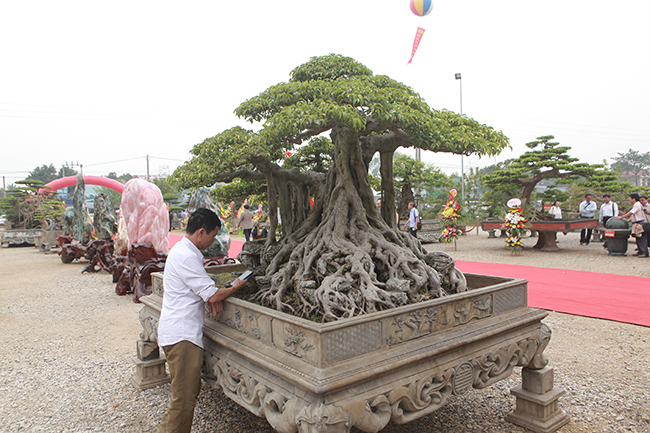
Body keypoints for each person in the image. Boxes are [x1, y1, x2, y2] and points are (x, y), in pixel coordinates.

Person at [157, 208, 246, 432]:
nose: (213, 240)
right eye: (213, 235)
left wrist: (212, 295)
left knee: (184, 394)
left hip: (178, 331)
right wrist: (234, 287)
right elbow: (212, 294)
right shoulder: (186, 255)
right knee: (184, 398)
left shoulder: (182, 251)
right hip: (182, 336)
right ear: (201, 232)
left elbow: (205, 291)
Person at [615, 193, 648, 258]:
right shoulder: (637, 205)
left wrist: (622, 217)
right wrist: (627, 220)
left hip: (640, 223)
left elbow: (631, 212)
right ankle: (640, 251)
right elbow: (634, 215)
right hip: (637, 223)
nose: (630, 200)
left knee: (641, 238)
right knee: (638, 238)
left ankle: (644, 252)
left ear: (634, 199)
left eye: (630, 199)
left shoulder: (637, 205)